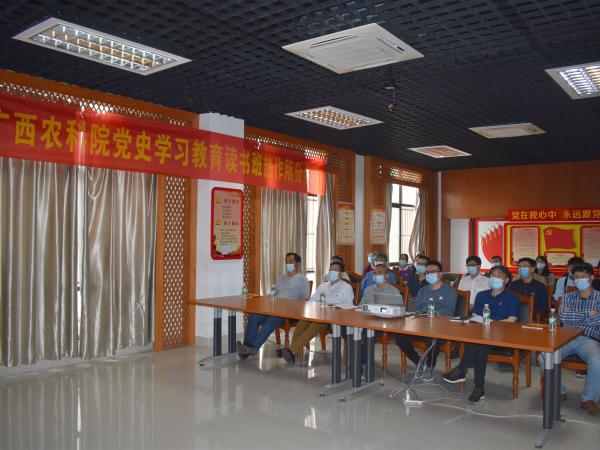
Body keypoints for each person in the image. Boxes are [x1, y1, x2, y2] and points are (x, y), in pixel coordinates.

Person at [442, 265, 519, 403]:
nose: (495, 277)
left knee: (479, 344)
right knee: (479, 344)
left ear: (506, 280)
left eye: (499, 275)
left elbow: (512, 319)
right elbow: (476, 316)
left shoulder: (511, 297)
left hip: (501, 334)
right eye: (493, 275)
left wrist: (492, 324)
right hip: (481, 333)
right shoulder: (482, 295)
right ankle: (478, 387)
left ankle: (462, 369)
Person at [539, 262, 600, 416]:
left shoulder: (599, 297)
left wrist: (574, 313)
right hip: (566, 337)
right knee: (543, 357)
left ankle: (589, 398)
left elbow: (597, 320)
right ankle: (559, 390)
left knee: (597, 362)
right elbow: (564, 316)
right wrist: (588, 314)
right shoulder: (567, 297)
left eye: (583, 277)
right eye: (576, 277)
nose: (579, 280)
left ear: (591, 278)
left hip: (589, 339)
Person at [279, 261, 354, 365]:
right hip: (319, 314)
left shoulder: (347, 287)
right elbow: (313, 300)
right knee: (302, 322)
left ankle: (291, 350)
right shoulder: (323, 286)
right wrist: (308, 301)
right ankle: (294, 353)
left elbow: (349, 306)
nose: (332, 272)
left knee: (316, 324)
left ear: (341, 274)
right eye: (330, 269)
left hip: (335, 318)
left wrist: (335, 307)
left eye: (335, 270)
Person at [238, 252, 309, 359]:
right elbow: (273, 292)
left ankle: (252, 348)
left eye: (291, 261)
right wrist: (265, 298)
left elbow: (306, 298)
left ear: (297, 263)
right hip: (273, 306)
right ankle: (247, 348)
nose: (288, 264)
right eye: (286, 262)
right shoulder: (281, 278)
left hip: (288, 310)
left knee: (270, 321)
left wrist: (294, 306)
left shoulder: (302, 279)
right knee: (253, 317)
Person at [396, 260, 457, 381]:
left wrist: (432, 313)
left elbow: (449, 311)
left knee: (432, 334)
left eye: (433, 272)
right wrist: (416, 314)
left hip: (440, 325)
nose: (429, 274)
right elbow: (417, 308)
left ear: (440, 274)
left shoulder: (449, 291)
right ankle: (419, 362)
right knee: (400, 336)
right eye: (427, 272)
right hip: (421, 324)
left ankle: (430, 366)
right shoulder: (423, 290)